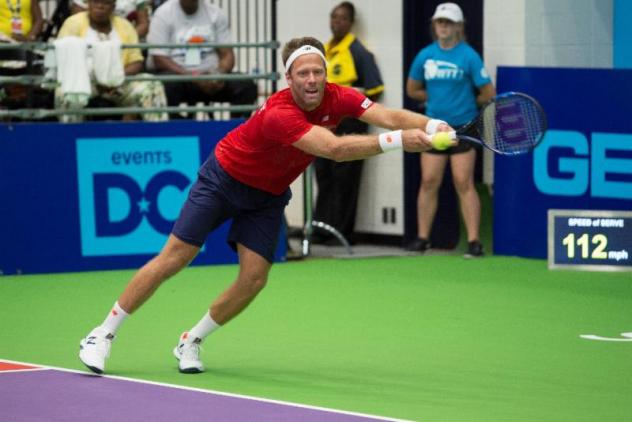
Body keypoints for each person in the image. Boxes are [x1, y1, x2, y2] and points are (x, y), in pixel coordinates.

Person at [77, 36, 454, 375]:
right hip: (223, 179)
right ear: (289, 80)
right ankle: (102, 334)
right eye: (303, 73)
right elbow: (334, 150)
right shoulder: (279, 112)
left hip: (267, 196)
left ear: (325, 75)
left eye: (317, 72)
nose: (311, 79)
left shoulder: (340, 96)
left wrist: (433, 123)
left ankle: (191, 340)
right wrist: (398, 141)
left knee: (254, 279)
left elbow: (387, 115)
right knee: (175, 256)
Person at [405, 2, 495, 258]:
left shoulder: (468, 56)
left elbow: (488, 93)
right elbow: (413, 90)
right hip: (433, 127)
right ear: (434, 25)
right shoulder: (425, 55)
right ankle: (423, 238)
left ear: (458, 26)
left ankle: (475, 242)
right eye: (440, 22)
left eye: (448, 22)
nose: (443, 26)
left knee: (462, 182)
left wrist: (464, 102)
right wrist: (435, 101)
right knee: (429, 181)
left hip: (463, 127)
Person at [312, 1, 384, 245]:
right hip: (324, 127)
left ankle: (341, 232)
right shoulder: (324, 51)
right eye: (333, 17)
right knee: (324, 177)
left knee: (345, 181)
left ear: (350, 22)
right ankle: (321, 228)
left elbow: (374, 90)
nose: (336, 22)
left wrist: (352, 114)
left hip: (349, 126)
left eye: (342, 18)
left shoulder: (358, 52)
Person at [54, 0, 167, 122]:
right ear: (88, 4)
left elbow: (136, 62)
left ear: (113, 7)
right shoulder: (73, 24)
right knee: (65, 91)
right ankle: (71, 137)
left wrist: (115, 77)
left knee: (152, 85)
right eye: (95, 2)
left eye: (106, 3)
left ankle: (159, 137)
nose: (100, 6)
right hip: (84, 83)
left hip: (118, 83)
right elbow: (63, 58)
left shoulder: (125, 27)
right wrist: (94, 78)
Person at [146, 0, 257, 119]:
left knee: (245, 84)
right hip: (180, 77)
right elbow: (159, 59)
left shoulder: (215, 13)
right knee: (165, 86)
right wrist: (193, 76)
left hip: (211, 79)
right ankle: (180, 129)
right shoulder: (163, 14)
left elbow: (228, 55)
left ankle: (235, 130)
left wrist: (218, 74)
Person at [71, 0, 150, 39]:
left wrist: (126, 40)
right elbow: (76, 21)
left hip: (125, 45)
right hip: (88, 42)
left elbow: (143, 24)